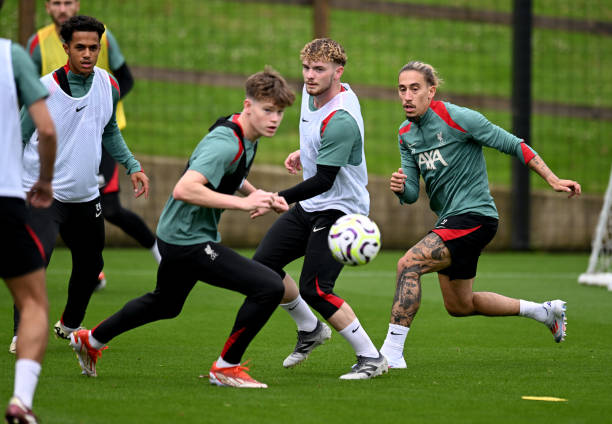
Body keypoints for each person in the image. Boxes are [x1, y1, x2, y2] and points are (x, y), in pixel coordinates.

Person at [68, 67, 295, 389]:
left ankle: (90, 340)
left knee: (166, 303)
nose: (274, 118)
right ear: (248, 106)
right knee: (269, 286)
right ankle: (226, 368)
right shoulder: (226, 142)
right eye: (267, 110)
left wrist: (255, 193)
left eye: (280, 112)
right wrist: (244, 204)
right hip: (188, 240)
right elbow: (185, 188)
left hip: (177, 234)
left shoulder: (246, 134)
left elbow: (227, 172)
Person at [378, 61, 581, 368]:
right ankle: (544, 311)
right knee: (460, 305)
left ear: (431, 91)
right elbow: (410, 195)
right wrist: (400, 187)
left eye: (415, 88)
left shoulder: (458, 117)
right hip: (451, 221)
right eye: (402, 89)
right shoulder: (405, 134)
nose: (407, 95)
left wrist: (551, 179)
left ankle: (391, 354)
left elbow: (513, 143)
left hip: (475, 216)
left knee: (409, 264)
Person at [252, 38, 388, 380]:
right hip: (314, 205)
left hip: (341, 210)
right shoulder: (313, 96)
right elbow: (321, 140)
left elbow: (325, 180)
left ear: (338, 73)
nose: (310, 76)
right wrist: (305, 152)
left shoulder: (341, 118)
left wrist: (279, 196)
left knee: (317, 288)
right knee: (264, 266)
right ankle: (310, 330)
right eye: (306, 68)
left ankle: (372, 358)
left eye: (319, 70)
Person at [18, 16, 149, 349]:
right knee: (36, 261)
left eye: (94, 47)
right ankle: (22, 332)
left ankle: (70, 324)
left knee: (91, 267)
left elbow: (109, 130)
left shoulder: (109, 84)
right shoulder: (43, 89)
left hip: (86, 195)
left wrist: (132, 165)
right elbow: (17, 137)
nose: (88, 54)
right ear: (66, 48)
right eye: (80, 47)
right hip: (43, 192)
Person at [1, 0, 58, 418]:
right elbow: (46, 127)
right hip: (4, 202)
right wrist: (45, 180)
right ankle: (22, 399)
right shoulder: (12, 55)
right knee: (35, 303)